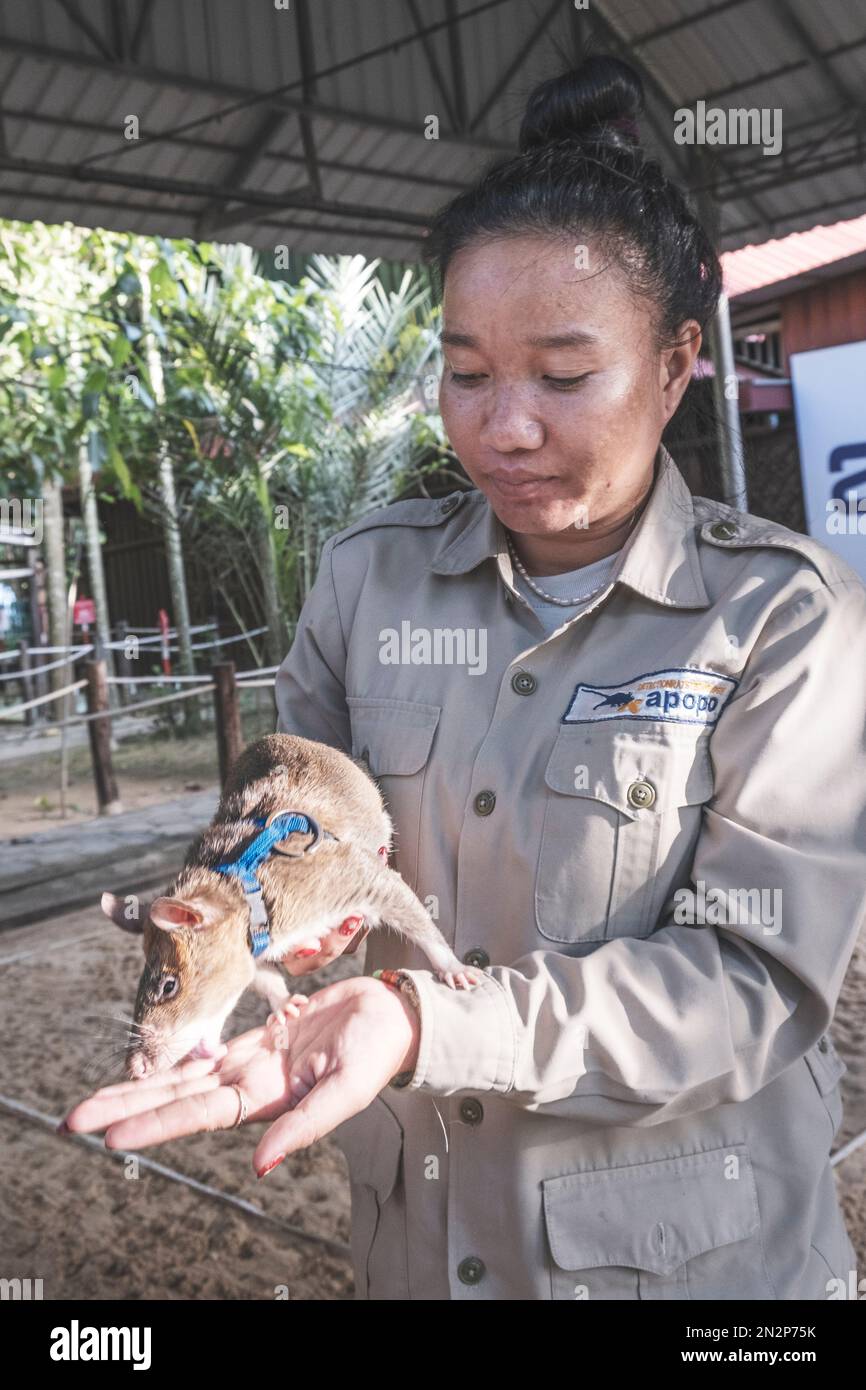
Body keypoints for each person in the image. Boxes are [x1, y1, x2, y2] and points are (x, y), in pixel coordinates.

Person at [60, 55, 866, 1302]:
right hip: (422, 1249)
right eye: (466, 370)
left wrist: (429, 1020)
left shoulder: (777, 619)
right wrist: (269, 946)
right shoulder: (365, 587)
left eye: (560, 374)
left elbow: (756, 981)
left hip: (689, 1271)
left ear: (673, 364)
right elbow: (296, 850)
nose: (503, 426)